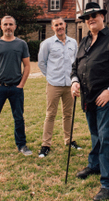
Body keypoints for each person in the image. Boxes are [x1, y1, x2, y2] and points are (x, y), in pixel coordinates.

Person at [71, 2, 109, 201]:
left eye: (94, 15)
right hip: (87, 98)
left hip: (105, 98)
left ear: (102, 16)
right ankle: (95, 165)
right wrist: (74, 82)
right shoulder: (84, 41)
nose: (90, 19)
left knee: (106, 137)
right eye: (87, 17)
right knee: (95, 134)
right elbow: (75, 67)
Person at [0, 16, 32, 162]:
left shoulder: (21, 44)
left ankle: (22, 145)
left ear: (15, 26)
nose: (8, 27)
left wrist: (21, 84)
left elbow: (27, 65)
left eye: (11, 24)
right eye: (5, 24)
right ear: (1, 27)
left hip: (15, 88)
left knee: (19, 118)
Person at [37, 17, 82, 158]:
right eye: (56, 25)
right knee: (50, 114)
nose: (59, 27)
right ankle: (46, 144)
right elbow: (41, 63)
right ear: (53, 27)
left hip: (69, 85)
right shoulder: (47, 44)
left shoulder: (73, 43)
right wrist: (50, 76)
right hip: (54, 84)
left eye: (61, 24)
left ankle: (69, 141)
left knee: (68, 114)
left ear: (65, 25)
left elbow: (76, 62)